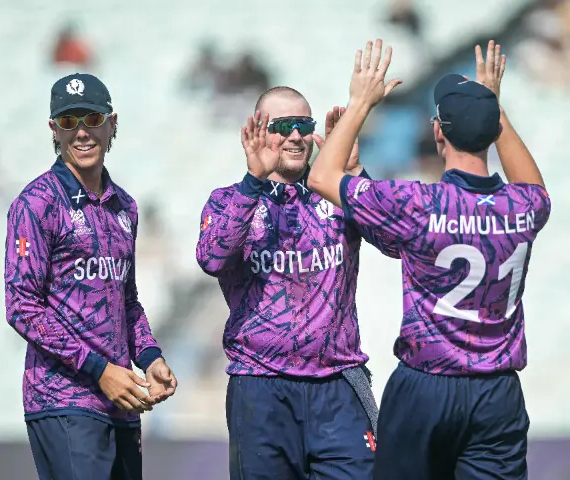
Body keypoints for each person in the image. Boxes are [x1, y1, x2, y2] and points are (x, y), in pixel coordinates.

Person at [308, 39, 549, 479]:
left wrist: (360, 103)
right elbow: (537, 188)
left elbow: (322, 175)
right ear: (493, 130)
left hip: (425, 387)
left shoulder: (417, 203)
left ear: (439, 131)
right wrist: (494, 106)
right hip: (497, 394)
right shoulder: (524, 208)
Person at [195, 85, 379, 479]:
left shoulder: (337, 196)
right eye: (283, 125)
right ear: (258, 132)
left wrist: (354, 177)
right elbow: (212, 258)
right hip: (261, 387)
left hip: (338, 386)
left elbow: (397, 242)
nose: (296, 136)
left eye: (303, 125)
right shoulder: (228, 199)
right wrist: (252, 183)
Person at [4, 73, 178, 480]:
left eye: (91, 119)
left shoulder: (125, 207)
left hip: (122, 401)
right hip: (63, 398)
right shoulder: (37, 203)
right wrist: (100, 369)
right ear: (53, 129)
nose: (81, 132)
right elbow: (22, 307)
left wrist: (150, 357)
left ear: (111, 122)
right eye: (68, 122)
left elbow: (126, 300)